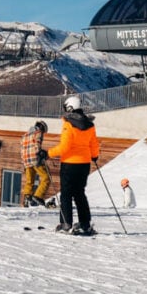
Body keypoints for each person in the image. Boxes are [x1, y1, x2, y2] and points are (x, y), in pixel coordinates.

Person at [45, 96, 100, 235]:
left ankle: (66, 224)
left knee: (66, 195)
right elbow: (94, 144)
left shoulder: (68, 124)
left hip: (69, 163)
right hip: (84, 164)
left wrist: (48, 154)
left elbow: (65, 147)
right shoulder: (89, 124)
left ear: (70, 108)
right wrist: (94, 156)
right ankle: (85, 224)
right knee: (80, 194)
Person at [20, 120, 53, 208]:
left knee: (29, 181)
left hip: (26, 161)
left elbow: (22, 150)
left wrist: (24, 163)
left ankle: (27, 198)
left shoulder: (24, 136)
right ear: (41, 128)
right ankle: (38, 196)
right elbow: (37, 143)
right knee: (46, 177)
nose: (43, 133)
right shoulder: (38, 133)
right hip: (35, 159)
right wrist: (40, 153)